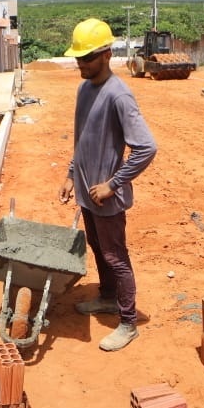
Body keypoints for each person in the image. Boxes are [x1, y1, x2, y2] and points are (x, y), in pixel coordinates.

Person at [59, 18, 158, 351]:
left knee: (116, 256)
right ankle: (107, 296)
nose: (81, 65)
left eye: (87, 58)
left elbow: (146, 147)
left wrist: (113, 184)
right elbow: (82, 138)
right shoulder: (84, 89)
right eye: (78, 58)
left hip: (107, 199)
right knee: (97, 248)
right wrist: (72, 174)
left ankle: (128, 323)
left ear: (106, 54)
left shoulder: (120, 96)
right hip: (88, 195)